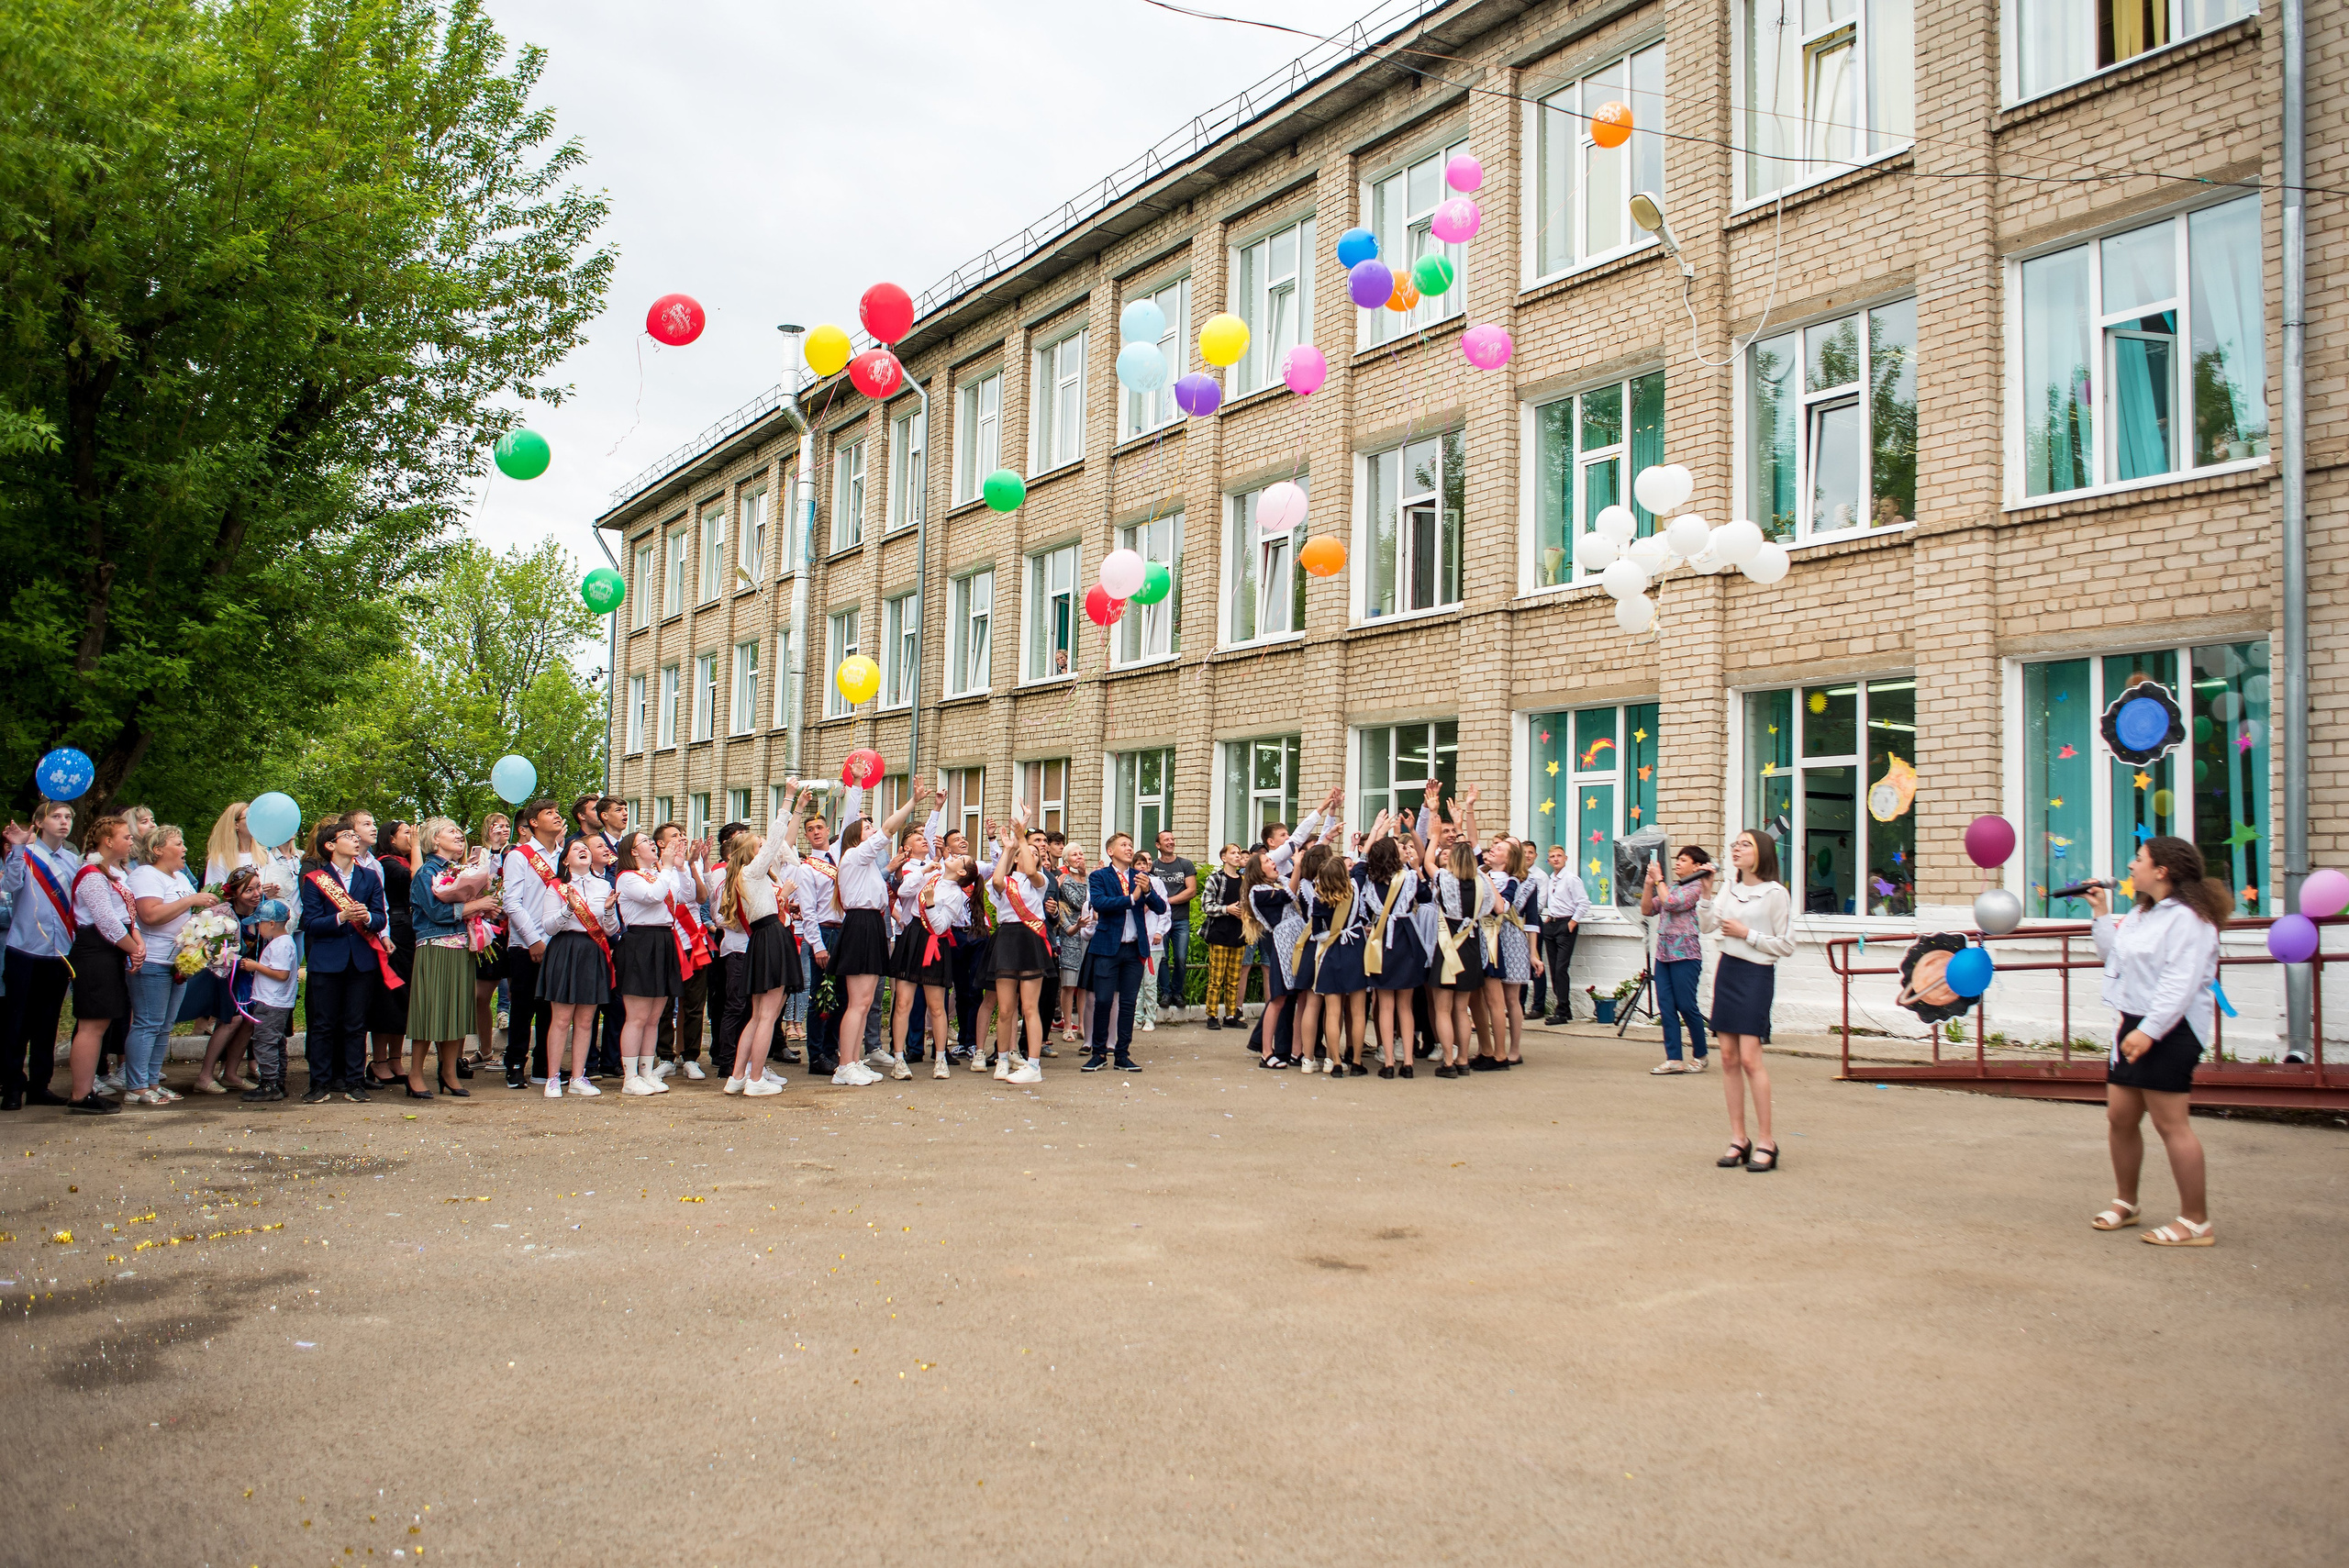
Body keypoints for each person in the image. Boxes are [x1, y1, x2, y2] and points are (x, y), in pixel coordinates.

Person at [2085, 837, 2232, 1246]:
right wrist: (2100, 913)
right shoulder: (2141, 914)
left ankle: (2196, 1222)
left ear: (2162, 870)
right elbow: (2114, 957)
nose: (2131, 866)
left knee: (2172, 1126)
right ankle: (2126, 1202)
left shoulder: (2189, 920)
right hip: (2134, 1024)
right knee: (2120, 1117)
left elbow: (2179, 985)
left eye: (2139, 859)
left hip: (2173, 1028)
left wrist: (2149, 1031)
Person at [824, 784, 923, 1086]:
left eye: (871, 825)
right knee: (857, 1002)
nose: (872, 829)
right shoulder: (853, 855)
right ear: (856, 836)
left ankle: (853, 1060)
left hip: (871, 925)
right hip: (861, 926)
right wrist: (912, 802)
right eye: (866, 826)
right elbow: (890, 827)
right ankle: (844, 1065)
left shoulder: (863, 863)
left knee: (865, 1002)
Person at [718, 791, 813, 1095]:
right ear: (751, 853)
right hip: (771, 938)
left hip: (763, 938)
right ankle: (756, 1079)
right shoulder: (752, 872)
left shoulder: (747, 877)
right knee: (767, 1017)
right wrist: (786, 802)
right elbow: (775, 840)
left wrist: (796, 809)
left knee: (759, 1016)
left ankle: (737, 1077)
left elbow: (780, 849)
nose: (766, 850)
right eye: (759, 847)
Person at [1711, 829, 1796, 1172]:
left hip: (1756, 975)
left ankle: (1767, 1141)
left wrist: (1749, 934)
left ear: (1761, 852)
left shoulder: (1776, 893)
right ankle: (1738, 1139)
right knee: (1728, 1058)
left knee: (1750, 1059)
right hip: (1728, 970)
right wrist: (1704, 894)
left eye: (1745, 844)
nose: (1736, 849)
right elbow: (1707, 925)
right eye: (1735, 844)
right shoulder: (1728, 888)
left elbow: (1786, 944)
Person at [299, 817, 391, 1104]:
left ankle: (354, 1082)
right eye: (348, 835)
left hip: (361, 960)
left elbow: (380, 917)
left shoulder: (369, 876)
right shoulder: (315, 879)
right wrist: (341, 917)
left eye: (355, 835)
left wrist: (368, 918)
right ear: (330, 845)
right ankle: (319, 1083)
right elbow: (311, 923)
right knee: (323, 1024)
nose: (355, 839)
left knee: (356, 1024)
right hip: (327, 959)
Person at [124, 822, 217, 1104]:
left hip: (178, 960)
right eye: (178, 843)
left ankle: (153, 1080)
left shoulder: (179, 878)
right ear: (158, 849)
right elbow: (150, 915)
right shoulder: (146, 876)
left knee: (165, 1024)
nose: (184, 848)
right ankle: (136, 1086)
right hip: (151, 959)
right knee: (147, 1022)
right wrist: (191, 899)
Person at [2, 802, 83, 1110]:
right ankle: (11, 1086)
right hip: (25, 948)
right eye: (56, 816)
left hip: (59, 952)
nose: (64, 822)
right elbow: (9, 885)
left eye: (68, 817)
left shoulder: (72, 860)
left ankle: (40, 1085)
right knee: (16, 1021)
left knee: (47, 1022)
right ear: (39, 822)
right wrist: (18, 850)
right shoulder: (26, 854)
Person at [611, 827, 705, 1094]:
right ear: (632, 851)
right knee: (638, 1016)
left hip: (664, 941)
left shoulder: (657, 874)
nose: (653, 845)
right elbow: (652, 897)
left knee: (654, 1016)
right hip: (641, 942)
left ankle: (646, 1070)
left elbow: (686, 895)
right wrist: (666, 867)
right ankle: (630, 1077)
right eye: (645, 842)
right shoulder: (627, 877)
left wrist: (680, 866)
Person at [60, 814, 140, 1114]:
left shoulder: (112, 873)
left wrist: (134, 942)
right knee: (92, 1023)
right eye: (126, 837)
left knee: (101, 1021)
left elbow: (122, 916)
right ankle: (81, 1094)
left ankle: (85, 1091)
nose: (131, 841)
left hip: (110, 950)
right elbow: (105, 920)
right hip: (94, 950)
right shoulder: (92, 874)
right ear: (108, 841)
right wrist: (133, 948)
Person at [410, 818, 496, 1099]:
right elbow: (436, 912)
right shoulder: (427, 872)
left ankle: (448, 1072)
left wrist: (485, 910)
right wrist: (476, 905)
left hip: (462, 947)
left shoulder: (458, 871)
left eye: (460, 832)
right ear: (435, 840)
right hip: (435, 947)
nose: (460, 836)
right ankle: (414, 1074)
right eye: (452, 832)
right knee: (430, 1011)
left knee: (457, 1011)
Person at [537, 836, 621, 1097]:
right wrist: (568, 910)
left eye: (586, 848)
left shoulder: (603, 885)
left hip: (593, 950)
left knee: (586, 1021)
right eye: (577, 849)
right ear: (566, 859)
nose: (583, 851)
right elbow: (548, 927)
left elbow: (612, 929)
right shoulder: (557, 887)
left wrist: (608, 910)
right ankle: (552, 1078)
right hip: (565, 948)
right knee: (561, 1019)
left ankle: (578, 1077)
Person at [1085, 830, 1166, 1072]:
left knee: (1129, 1003)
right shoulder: (1100, 876)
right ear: (1111, 851)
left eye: (1131, 845)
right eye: (1124, 845)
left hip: (1134, 949)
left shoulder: (1141, 877)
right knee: (1104, 1000)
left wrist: (1148, 891)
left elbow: (1161, 907)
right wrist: (1131, 899)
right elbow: (1099, 903)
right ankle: (1099, 1053)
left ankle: (1122, 1054)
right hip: (1107, 948)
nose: (1130, 849)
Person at [499, 799, 566, 1088]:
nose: (557, 816)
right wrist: (534, 941)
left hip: (558, 941)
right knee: (523, 1007)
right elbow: (511, 903)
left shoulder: (565, 857)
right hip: (527, 943)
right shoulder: (520, 856)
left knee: (551, 1008)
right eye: (549, 813)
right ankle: (514, 1064)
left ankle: (544, 1066)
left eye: (558, 812)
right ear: (534, 823)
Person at [990, 802, 1056, 1084]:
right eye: (1026, 852)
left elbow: (1030, 872)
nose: (1032, 855)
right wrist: (1008, 848)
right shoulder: (1007, 880)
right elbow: (995, 880)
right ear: (1016, 857)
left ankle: (1033, 1065)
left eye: (1036, 853)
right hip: (1007, 939)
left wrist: (1021, 837)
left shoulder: (1039, 880)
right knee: (1005, 1009)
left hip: (1030, 939)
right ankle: (1002, 1058)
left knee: (1030, 1007)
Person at [1641, 846, 1716, 1074]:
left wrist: (1659, 880)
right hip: (1663, 954)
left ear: (1696, 866)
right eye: (1677, 859)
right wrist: (1648, 883)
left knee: (1686, 1005)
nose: (1678, 863)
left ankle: (1700, 1055)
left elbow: (1671, 903)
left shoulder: (1695, 888)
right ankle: (1673, 1058)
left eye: (1683, 860)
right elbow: (1647, 908)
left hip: (1686, 954)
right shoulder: (1672, 886)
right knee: (1666, 1006)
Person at [193, 869, 268, 1093]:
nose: (256, 894)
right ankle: (205, 1076)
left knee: (249, 1021)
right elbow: (205, 946)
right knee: (231, 1020)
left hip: (248, 975)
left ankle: (231, 1074)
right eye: (249, 890)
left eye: (258, 887)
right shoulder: (222, 914)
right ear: (234, 894)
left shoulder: (263, 910)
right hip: (223, 975)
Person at [1361, 827, 1428, 1076]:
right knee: (1405, 1006)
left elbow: (1364, 911)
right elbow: (1426, 894)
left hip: (1380, 939)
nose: (1404, 850)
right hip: (1406, 937)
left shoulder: (1370, 882)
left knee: (1385, 1005)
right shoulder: (1409, 877)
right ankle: (1408, 1062)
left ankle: (1388, 1062)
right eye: (1400, 847)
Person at [362, 819, 417, 1088]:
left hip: (410, 931)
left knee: (405, 996)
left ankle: (396, 1058)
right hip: (393, 928)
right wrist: (418, 846)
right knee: (388, 997)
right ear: (392, 840)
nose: (413, 837)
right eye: (407, 833)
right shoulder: (387, 863)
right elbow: (414, 878)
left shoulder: (407, 860)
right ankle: (379, 1060)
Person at [239, 900, 300, 1102]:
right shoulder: (284, 942)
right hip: (277, 1003)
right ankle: (277, 1081)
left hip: (272, 1003)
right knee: (276, 1042)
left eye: (260, 923)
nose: (258, 927)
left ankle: (270, 1083)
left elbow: (282, 974)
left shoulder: (281, 945)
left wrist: (255, 966)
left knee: (264, 1043)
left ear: (272, 923)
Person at [468, 810, 511, 1076]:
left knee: (519, 994)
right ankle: (485, 1050)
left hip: (513, 930)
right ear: (487, 829)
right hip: (488, 931)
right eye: (498, 826)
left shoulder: (517, 852)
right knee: (480, 996)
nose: (503, 829)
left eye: (507, 825)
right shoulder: (477, 854)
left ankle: (512, 1053)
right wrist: (493, 850)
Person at [1199, 844, 1248, 1029]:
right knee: (1216, 978)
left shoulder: (1245, 880)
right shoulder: (1215, 879)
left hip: (1239, 933)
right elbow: (1207, 906)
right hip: (1219, 933)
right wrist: (1227, 909)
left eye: (1239, 853)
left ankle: (1230, 1015)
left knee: (1234, 979)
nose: (1237, 856)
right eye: (1233, 853)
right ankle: (1212, 1015)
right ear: (1224, 858)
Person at [1539, 843, 1587, 1024]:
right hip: (1552, 923)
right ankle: (1565, 1009)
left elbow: (1583, 902)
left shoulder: (1571, 879)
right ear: (1549, 860)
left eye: (1559, 856)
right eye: (1552, 856)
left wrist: (1573, 922)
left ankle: (1561, 1010)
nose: (1556, 859)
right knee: (1553, 967)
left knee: (1561, 968)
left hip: (1565, 924)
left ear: (1565, 858)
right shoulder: (1552, 879)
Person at [1152, 829, 1197, 1018]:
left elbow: (1191, 890)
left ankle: (1178, 992)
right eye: (1166, 840)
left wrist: (1166, 902)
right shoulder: (1153, 866)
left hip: (1180, 920)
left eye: (1172, 839)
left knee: (1180, 957)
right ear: (1158, 845)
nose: (1170, 842)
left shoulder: (1185, 864)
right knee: (1162, 957)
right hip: (1160, 921)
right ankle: (1166, 993)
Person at [1052, 845, 1093, 1047]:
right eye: (1075, 855)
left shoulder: (1089, 880)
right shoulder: (1066, 881)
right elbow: (1079, 902)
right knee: (1069, 983)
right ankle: (1067, 1025)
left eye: (1081, 854)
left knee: (1084, 983)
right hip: (1070, 933)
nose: (1080, 857)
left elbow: (1096, 902)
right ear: (1066, 861)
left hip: (1088, 934)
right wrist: (1087, 880)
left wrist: (1088, 879)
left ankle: (1083, 1025)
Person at [1131, 850, 1168, 1034]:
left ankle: (1150, 1017)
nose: (1142, 866)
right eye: (1138, 863)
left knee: (1150, 982)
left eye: (1145, 863)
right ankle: (1136, 1017)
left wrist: (1160, 932)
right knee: (1136, 983)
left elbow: (1165, 909)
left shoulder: (1157, 883)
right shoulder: (1130, 883)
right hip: (1136, 940)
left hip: (1153, 941)